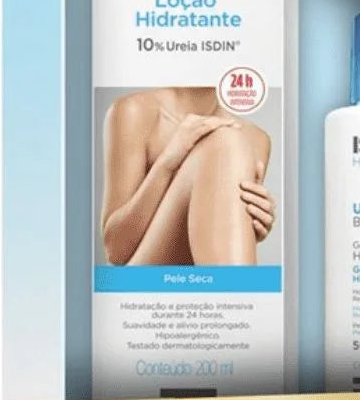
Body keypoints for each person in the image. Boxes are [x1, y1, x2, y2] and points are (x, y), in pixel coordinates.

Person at [99, 86, 276, 266]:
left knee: (228, 142)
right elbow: (115, 253)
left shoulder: (256, 139)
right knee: (225, 142)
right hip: (140, 279)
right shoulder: (135, 111)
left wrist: (252, 225)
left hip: (203, 279)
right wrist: (167, 163)